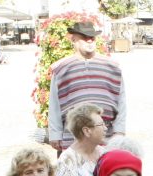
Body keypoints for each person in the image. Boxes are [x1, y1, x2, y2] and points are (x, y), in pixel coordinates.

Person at [48, 21, 126, 151]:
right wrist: (55, 133)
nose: (89, 41)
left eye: (92, 38)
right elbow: (54, 103)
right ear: (74, 40)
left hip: (106, 136)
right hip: (73, 136)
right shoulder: (61, 69)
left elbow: (121, 101)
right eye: (84, 38)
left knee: (105, 170)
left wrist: (119, 130)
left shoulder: (112, 67)